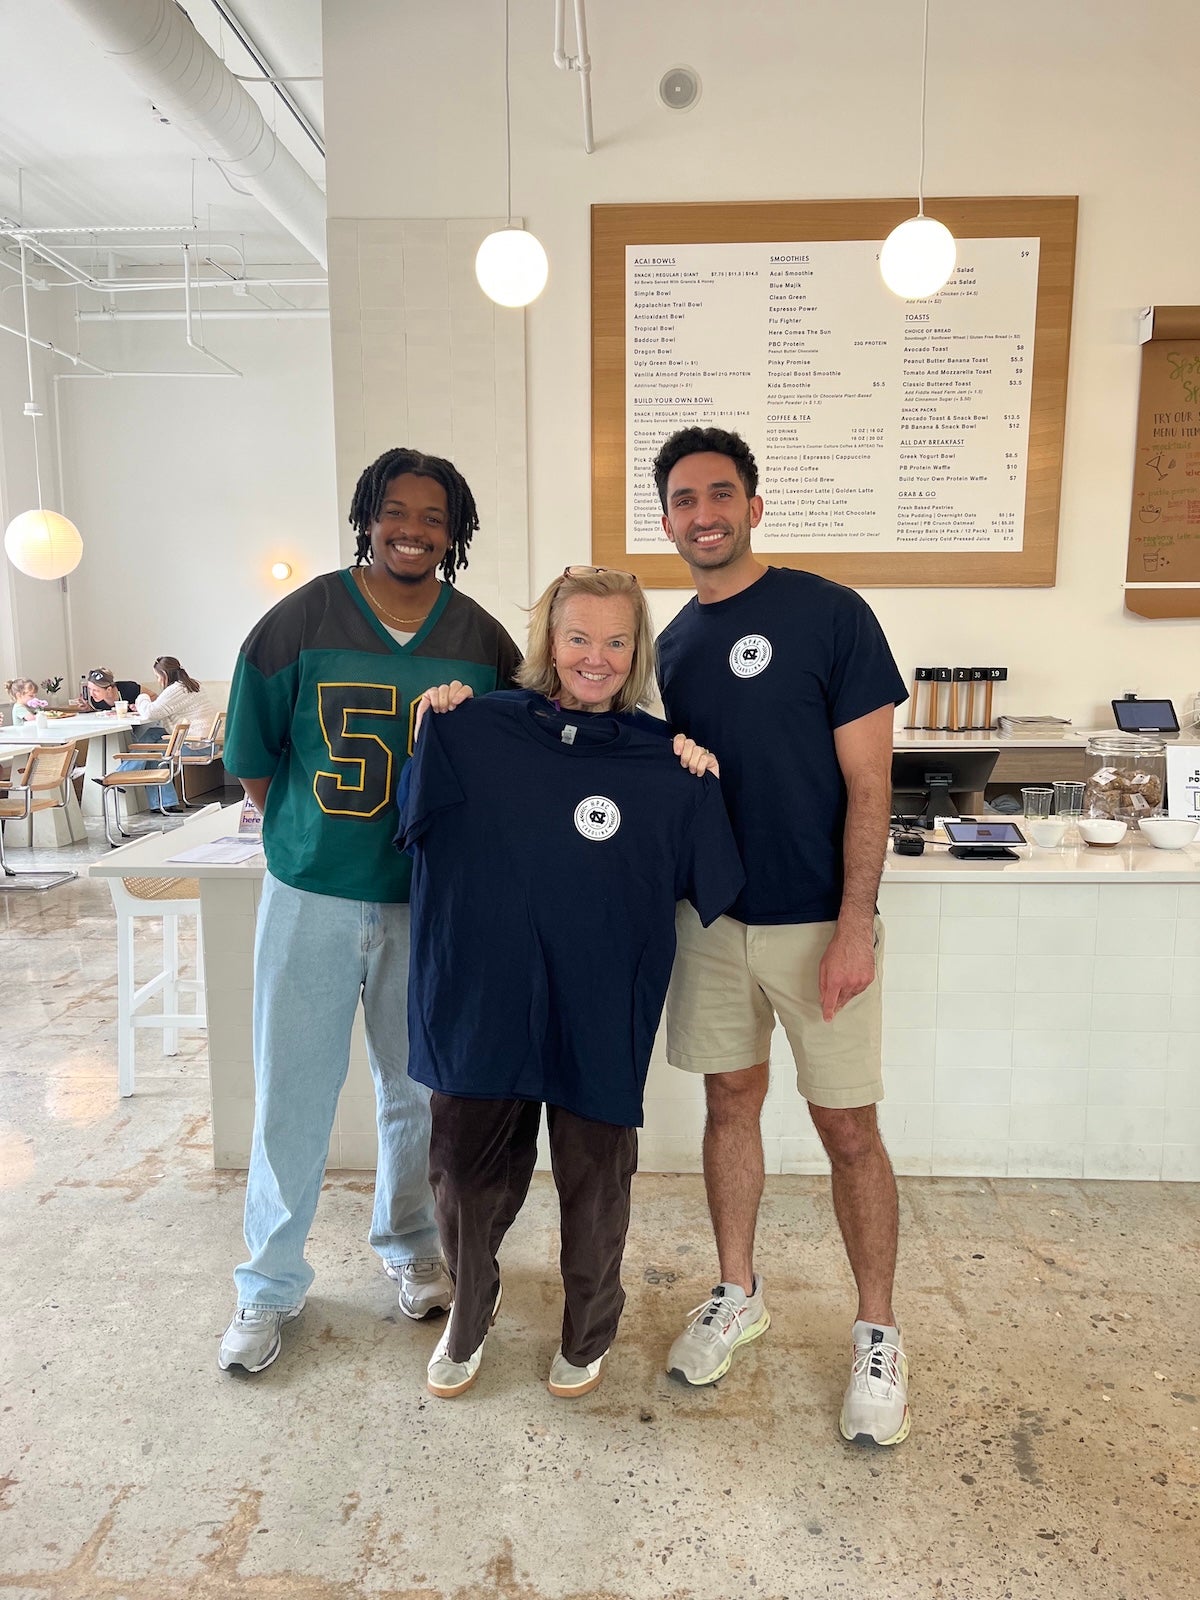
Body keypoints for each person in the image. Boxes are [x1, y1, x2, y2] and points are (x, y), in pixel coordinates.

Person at [400, 566, 743, 1401]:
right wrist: (429, 727)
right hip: (480, 998)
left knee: (595, 1179)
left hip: (597, 1004)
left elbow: (717, 881)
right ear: (548, 641)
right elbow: (409, 828)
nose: (596, 656)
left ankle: (589, 1328)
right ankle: (469, 1309)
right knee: (462, 1173)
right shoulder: (467, 729)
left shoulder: (667, 762)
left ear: (638, 652)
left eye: (617, 641)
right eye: (579, 636)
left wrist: (696, 774)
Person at [217, 446, 523, 1376]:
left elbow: (516, 760)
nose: (414, 529)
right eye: (397, 510)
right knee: (291, 1098)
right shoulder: (299, 619)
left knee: (417, 1095)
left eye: (435, 517)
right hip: (309, 895)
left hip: (423, 905)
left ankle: (412, 1249)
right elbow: (254, 757)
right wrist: (310, 843)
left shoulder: (480, 639)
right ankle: (267, 1286)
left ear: (456, 532)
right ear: (368, 515)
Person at [653, 425, 912, 1447]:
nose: (704, 513)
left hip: (819, 923)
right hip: (712, 923)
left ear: (754, 506)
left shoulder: (829, 614)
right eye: (683, 498)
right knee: (729, 1102)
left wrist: (855, 925)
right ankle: (736, 1288)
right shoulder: (667, 645)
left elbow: (870, 783)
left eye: (721, 493)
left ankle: (879, 1331)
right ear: (666, 518)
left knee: (848, 1127)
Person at [111, 657, 216, 812]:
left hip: (196, 744)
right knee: (154, 735)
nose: (158, 681)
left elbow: (151, 712)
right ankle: (164, 802)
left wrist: (142, 697)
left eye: (157, 677)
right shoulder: (191, 684)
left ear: (165, 675)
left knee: (153, 750)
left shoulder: (176, 689)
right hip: (207, 741)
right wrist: (143, 706)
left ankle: (121, 776)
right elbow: (160, 708)